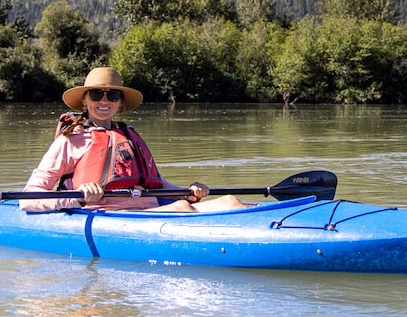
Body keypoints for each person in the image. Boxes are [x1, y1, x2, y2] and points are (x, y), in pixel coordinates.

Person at [20, 66, 245, 213]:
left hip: (154, 208)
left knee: (230, 202)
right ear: (85, 101)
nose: (105, 100)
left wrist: (189, 191)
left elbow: (158, 183)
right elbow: (28, 200)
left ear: (120, 103)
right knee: (181, 208)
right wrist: (76, 198)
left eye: (113, 95)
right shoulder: (71, 141)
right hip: (113, 215)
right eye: (97, 94)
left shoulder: (128, 136)